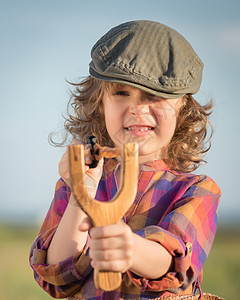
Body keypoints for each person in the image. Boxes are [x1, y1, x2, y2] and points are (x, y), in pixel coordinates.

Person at [29, 20, 221, 299]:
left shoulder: (197, 190)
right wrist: (80, 197)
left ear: (183, 108)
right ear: (99, 102)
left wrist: (131, 249)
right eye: (121, 93)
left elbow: (175, 266)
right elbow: (57, 277)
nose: (137, 109)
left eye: (155, 96)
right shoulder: (78, 182)